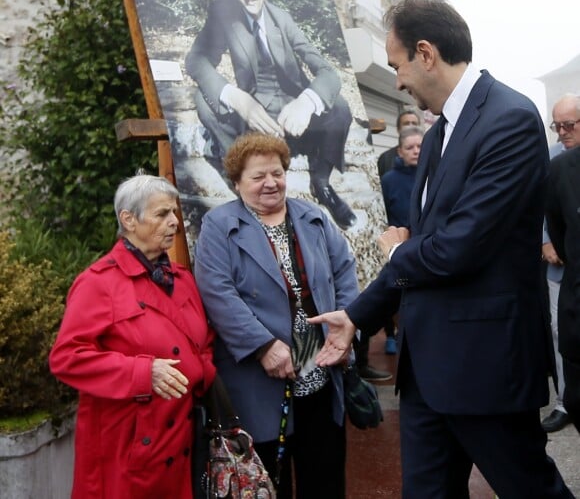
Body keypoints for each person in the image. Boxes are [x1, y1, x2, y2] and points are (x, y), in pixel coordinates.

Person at [310, 0, 573, 498]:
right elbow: (423, 247)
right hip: (424, 370)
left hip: (484, 366)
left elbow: (456, 249)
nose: (399, 82)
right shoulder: (436, 137)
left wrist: (392, 251)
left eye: (397, 66)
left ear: (425, 53)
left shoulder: (510, 119)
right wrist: (358, 316)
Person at [194, 132, 359, 499]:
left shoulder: (313, 216)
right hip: (260, 381)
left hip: (320, 373)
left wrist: (345, 328)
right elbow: (216, 292)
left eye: (277, 173)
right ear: (236, 183)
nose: (271, 183)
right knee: (269, 482)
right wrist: (263, 345)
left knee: (325, 478)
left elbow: (345, 271)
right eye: (257, 177)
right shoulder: (218, 227)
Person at [49, 175, 216, 499]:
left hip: (181, 440)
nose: (174, 223)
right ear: (128, 220)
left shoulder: (181, 279)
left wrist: (202, 373)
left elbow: (204, 341)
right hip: (127, 449)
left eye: (174, 213)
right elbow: (66, 357)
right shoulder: (99, 282)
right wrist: (143, 372)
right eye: (162, 214)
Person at [185, 0, 356, 230]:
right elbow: (196, 60)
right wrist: (237, 98)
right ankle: (242, 184)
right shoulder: (223, 12)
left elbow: (328, 72)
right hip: (258, 120)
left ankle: (322, 184)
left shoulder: (283, 19)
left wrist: (306, 102)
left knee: (339, 107)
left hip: (295, 117)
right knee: (204, 100)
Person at [541, 94, 580, 432]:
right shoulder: (552, 160)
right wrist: (546, 241)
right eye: (558, 126)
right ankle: (565, 401)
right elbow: (543, 210)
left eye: (570, 125)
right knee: (560, 334)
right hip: (561, 266)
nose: (563, 132)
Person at [379, 125, 423, 355]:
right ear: (400, 151)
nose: (416, 151)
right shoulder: (389, 180)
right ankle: (392, 334)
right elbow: (383, 211)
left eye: (419, 146)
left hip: (424, 245)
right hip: (397, 246)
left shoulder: (433, 175)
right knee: (393, 290)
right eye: (410, 147)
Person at [376, 107, 422, 177]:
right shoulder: (386, 158)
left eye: (414, 123)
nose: (410, 126)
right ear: (398, 129)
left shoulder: (429, 156)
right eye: (406, 124)